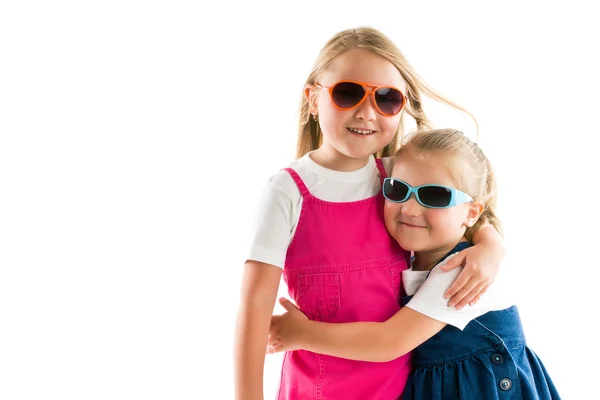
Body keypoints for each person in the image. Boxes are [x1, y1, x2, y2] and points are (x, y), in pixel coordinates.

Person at [234, 27, 505, 400]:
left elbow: (469, 207)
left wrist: (491, 247)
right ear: (313, 99)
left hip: (400, 389)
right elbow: (254, 311)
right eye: (347, 93)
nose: (366, 112)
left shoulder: (397, 178)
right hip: (316, 387)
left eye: (386, 99)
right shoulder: (287, 192)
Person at [268, 128, 560, 399]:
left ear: (471, 213)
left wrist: (301, 334)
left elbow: (389, 342)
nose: (409, 208)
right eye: (397, 189)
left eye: (434, 195)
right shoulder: (413, 252)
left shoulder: (458, 271)